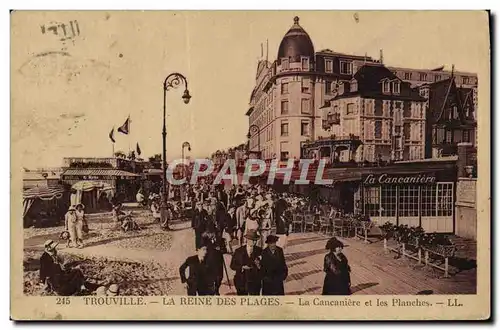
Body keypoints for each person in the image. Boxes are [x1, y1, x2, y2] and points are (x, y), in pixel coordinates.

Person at [230, 230, 263, 295]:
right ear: (247, 240)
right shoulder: (238, 251)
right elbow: (232, 265)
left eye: (255, 240)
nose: (253, 242)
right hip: (241, 281)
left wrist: (259, 265)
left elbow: (263, 266)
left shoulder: (259, 250)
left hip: (255, 282)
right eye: (251, 240)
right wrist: (242, 267)